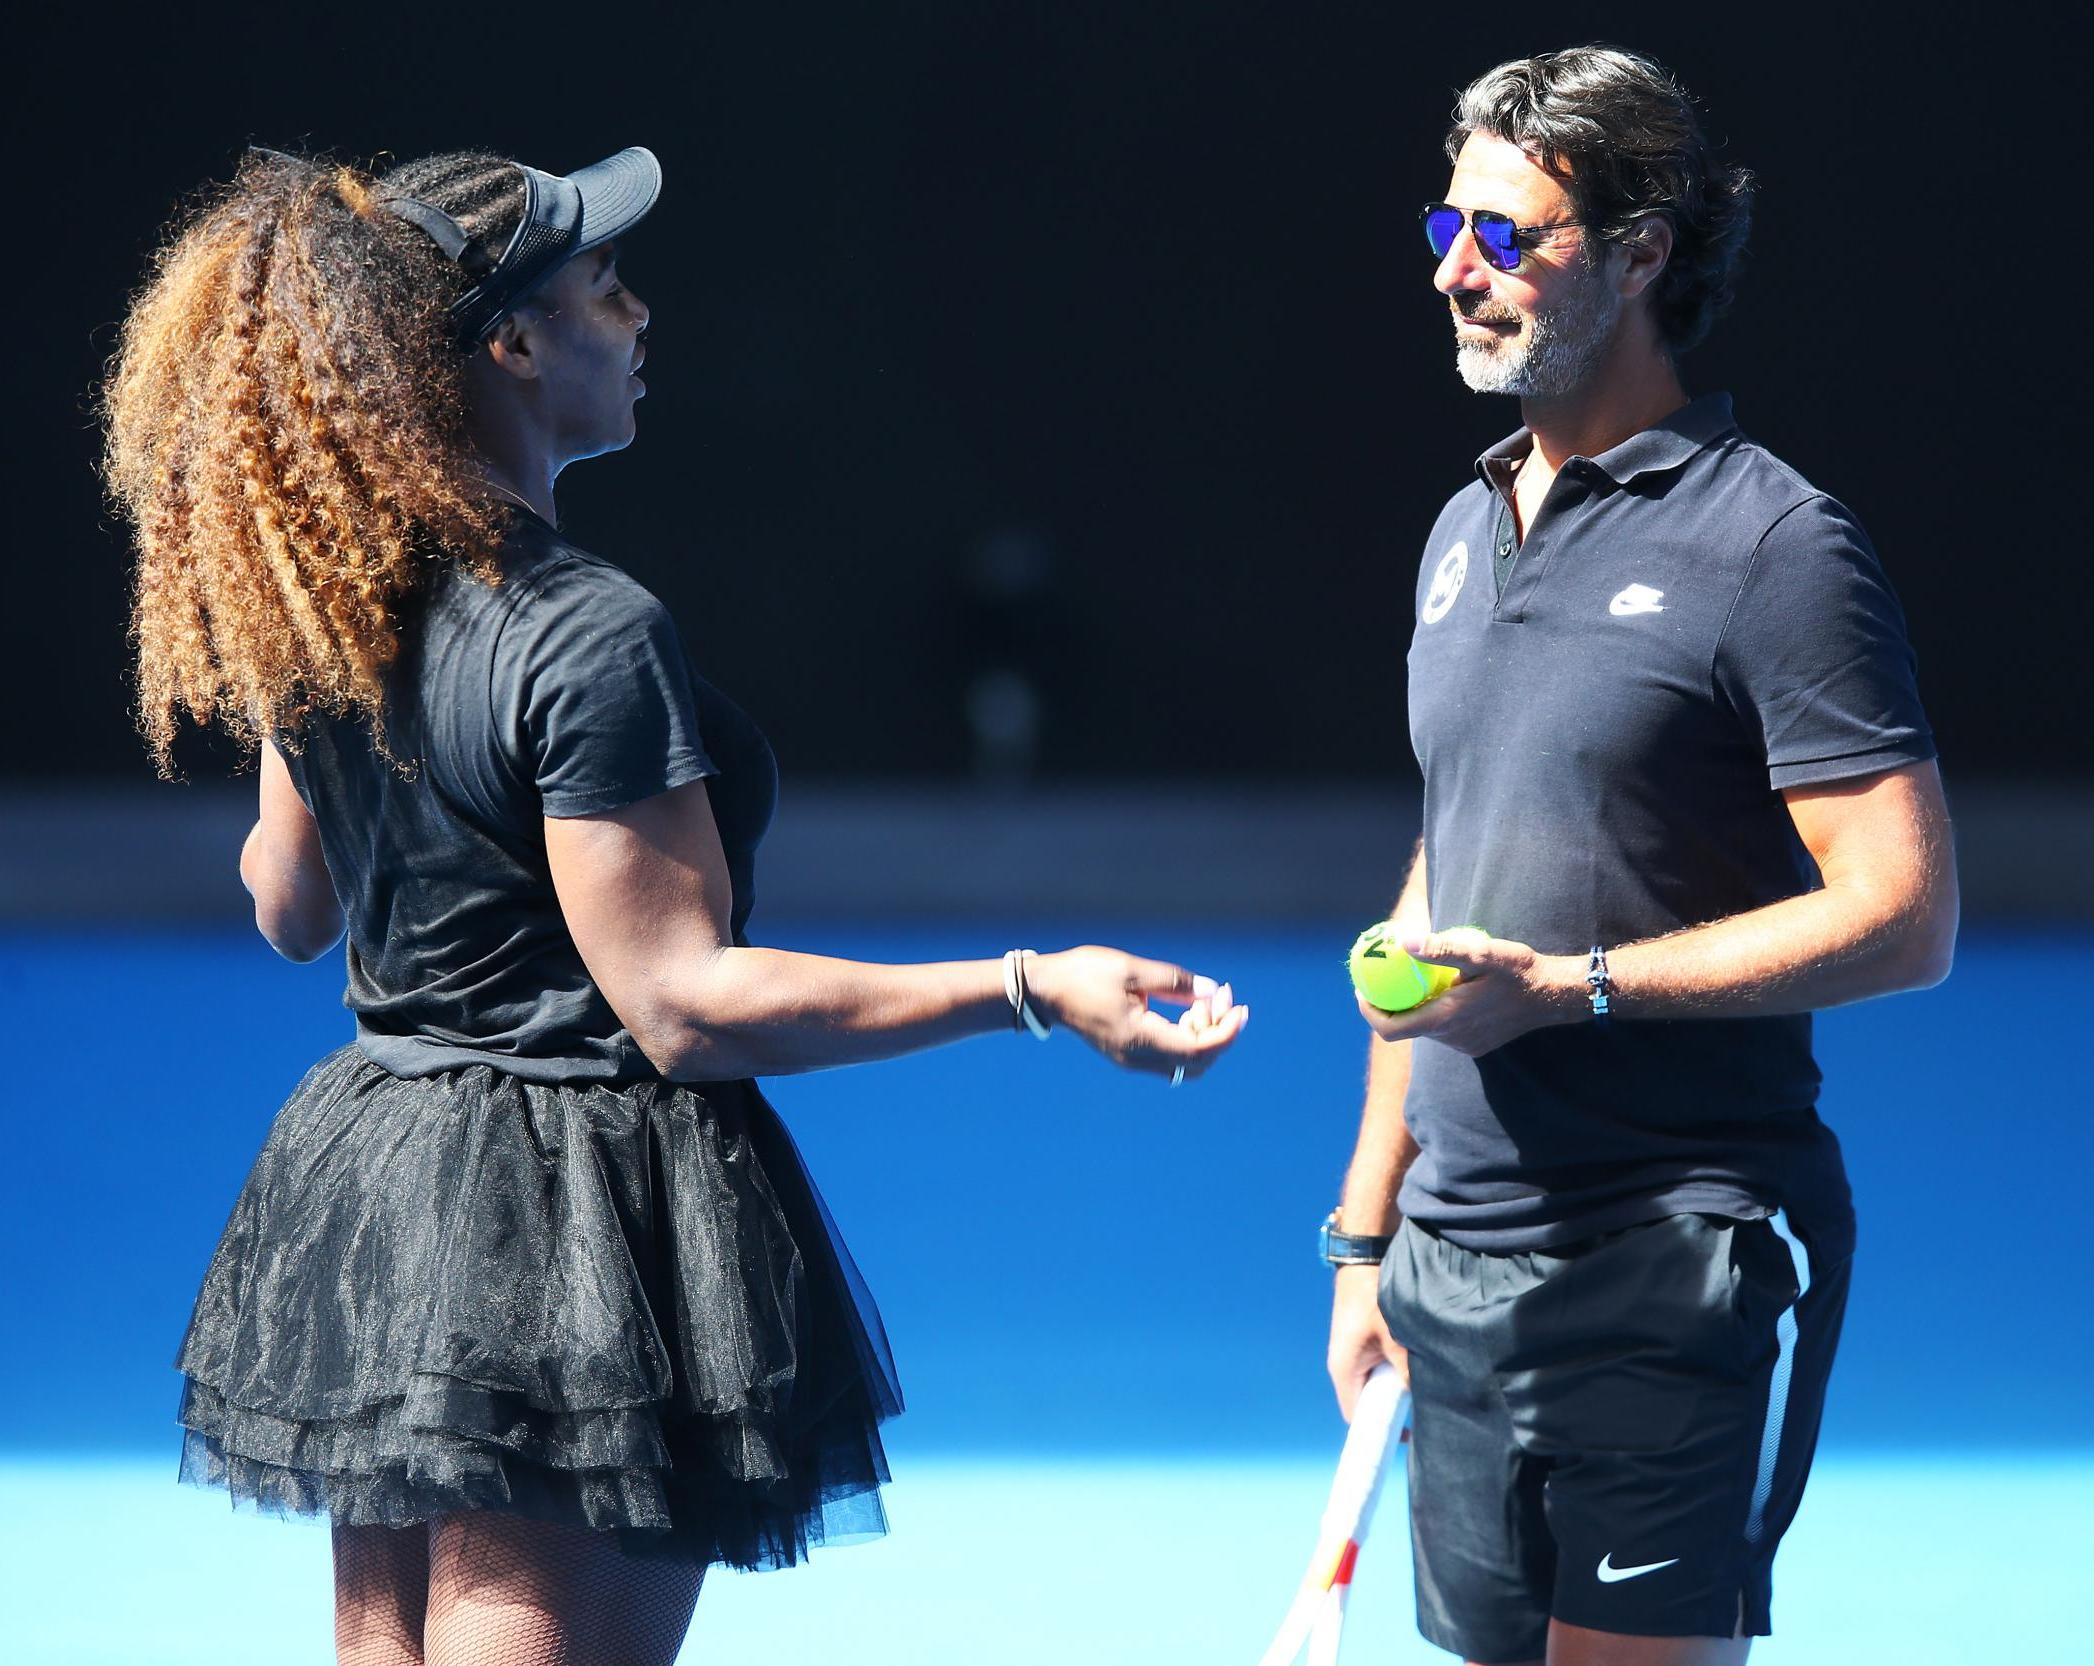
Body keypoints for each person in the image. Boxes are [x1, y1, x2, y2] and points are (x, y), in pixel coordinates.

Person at [100, 144, 1248, 1666]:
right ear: (510, 341)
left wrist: (314, 719)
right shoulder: (588, 633)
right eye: (606, 290)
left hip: (374, 1191)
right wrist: (1032, 984)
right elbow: (685, 1004)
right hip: (569, 1215)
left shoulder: (336, 601)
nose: (639, 318)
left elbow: (289, 907)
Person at [1320, 48, 1957, 1666]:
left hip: (1679, 1250)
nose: (1457, 269)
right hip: (1453, 1262)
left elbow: (1903, 911)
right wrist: (1365, 1234)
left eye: (1507, 234)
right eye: (1441, 226)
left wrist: (1570, 988)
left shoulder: (1775, 545)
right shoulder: (1460, 529)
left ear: (1638, 250)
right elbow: (1442, 870)